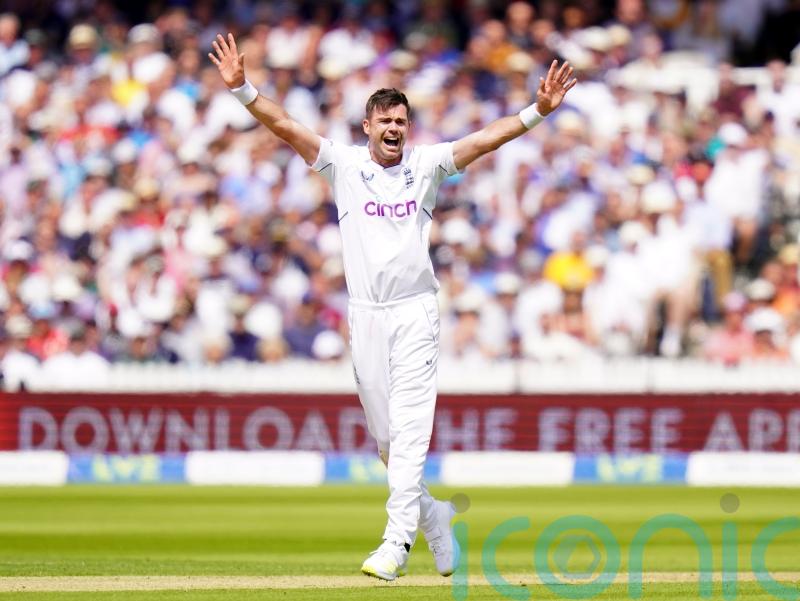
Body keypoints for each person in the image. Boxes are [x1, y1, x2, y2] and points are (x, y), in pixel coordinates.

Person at [209, 32, 576, 581]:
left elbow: (482, 140)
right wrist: (243, 90)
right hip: (366, 316)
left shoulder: (425, 165)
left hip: (414, 313)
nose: (393, 130)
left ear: (409, 127)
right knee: (388, 446)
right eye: (384, 122)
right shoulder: (343, 166)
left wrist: (536, 112)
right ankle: (436, 519)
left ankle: (395, 545)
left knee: (409, 436)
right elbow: (286, 126)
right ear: (367, 126)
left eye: (401, 122)